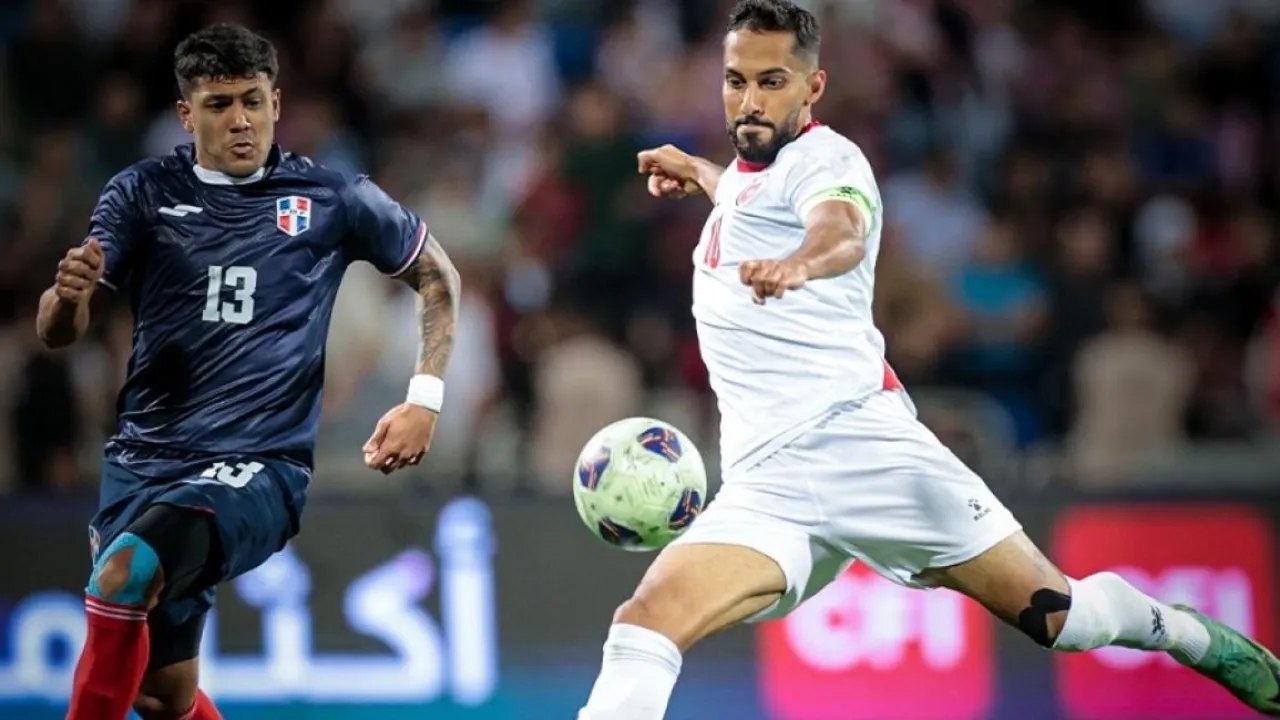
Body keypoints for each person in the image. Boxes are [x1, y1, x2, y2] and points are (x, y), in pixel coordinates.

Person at [577, 1, 1280, 718]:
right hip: (764, 483)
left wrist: (799, 265)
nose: (751, 101)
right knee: (644, 623)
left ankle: (1185, 633)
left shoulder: (829, 160)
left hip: (867, 452)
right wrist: (702, 172)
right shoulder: (748, 176)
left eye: (772, 81)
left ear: (813, 87)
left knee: (1058, 617)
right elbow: (750, 191)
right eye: (736, 81)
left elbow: (841, 229)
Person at [34, 24, 460, 720]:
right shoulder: (141, 193)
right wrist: (68, 297)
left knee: (124, 575)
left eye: (253, 101)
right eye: (220, 104)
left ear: (276, 103)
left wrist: (425, 399)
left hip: (258, 466)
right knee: (161, 694)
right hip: (144, 462)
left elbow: (437, 274)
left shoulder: (330, 196)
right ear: (186, 114)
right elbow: (58, 331)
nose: (241, 120)